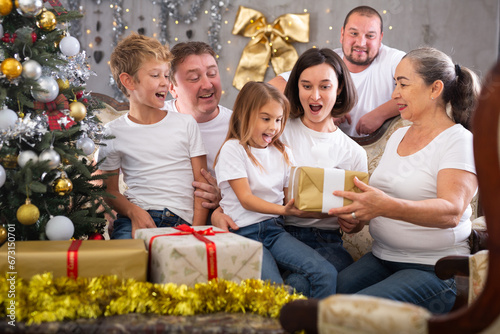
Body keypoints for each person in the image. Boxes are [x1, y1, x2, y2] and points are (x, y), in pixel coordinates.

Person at [328, 47, 480, 314]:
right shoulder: (398, 136)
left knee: (350, 315)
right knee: (324, 295)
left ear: (435, 89)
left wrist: (384, 206)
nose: (394, 94)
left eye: (403, 84)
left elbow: (451, 212)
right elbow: (382, 198)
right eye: (394, 83)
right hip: (383, 257)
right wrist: (359, 217)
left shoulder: (459, 140)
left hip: (436, 268)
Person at [214, 81, 338, 298]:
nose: (274, 127)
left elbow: (292, 197)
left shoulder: (283, 152)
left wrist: (324, 206)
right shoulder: (233, 149)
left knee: (326, 273)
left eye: (279, 120)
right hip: (243, 233)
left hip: (274, 230)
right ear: (244, 115)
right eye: (266, 119)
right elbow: (246, 199)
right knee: (272, 292)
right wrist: (285, 210)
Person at [97, 33, 210, 239]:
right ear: (129, 81)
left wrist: (196, 232)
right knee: (126, 268)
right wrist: (133, 211)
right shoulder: (113, 132)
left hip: (181, 223)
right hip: (135, 219)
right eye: (155, 75)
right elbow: (109, 190)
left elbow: (201, 188)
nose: (165, 83)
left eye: (166, 75)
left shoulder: (185, 124)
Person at [281, 47, 368, 287]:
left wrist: (354, 223)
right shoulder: (277, 133)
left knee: (300, 284)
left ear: (339, 88)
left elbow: (357, 218)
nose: (315, 96)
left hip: (326, 241)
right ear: (296, 87)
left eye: (325, 86)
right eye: (306, 86)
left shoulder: (353, 153)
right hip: (279, 233)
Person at [269, 5, 405, 137]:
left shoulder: (394, 59)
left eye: (370, 36)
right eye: (354, 33)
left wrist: (380, 114)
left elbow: (421, 89)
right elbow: (273, 86)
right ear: (342, 34)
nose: (361, 43)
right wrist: (325, 112)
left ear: (380, 38)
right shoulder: (328, 61)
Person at [165, 41, 232, 211]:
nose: (208, 85)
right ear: (172, 88)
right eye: (194, 78)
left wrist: (225, 199)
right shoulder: (154, 119)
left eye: (212, 73)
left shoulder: (239, 126)